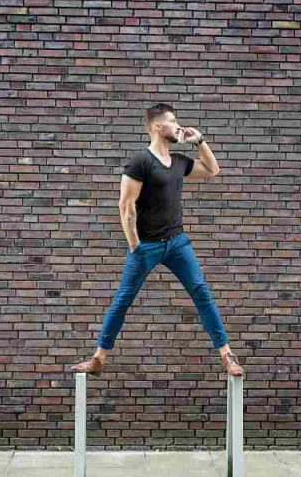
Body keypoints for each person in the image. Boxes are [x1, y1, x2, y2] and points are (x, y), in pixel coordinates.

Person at [70, 103, 244, 377]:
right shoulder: (140, 161)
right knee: (123, 300)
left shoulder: (179, 162)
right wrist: (134, 244)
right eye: (172, 121)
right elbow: (126, 205)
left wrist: (199, 141)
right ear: (156, 126)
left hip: (177, 243)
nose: (178, 125)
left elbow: (212, 170)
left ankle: (227, 356)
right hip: (147, 246)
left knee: (201, 293)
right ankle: (98, 360)